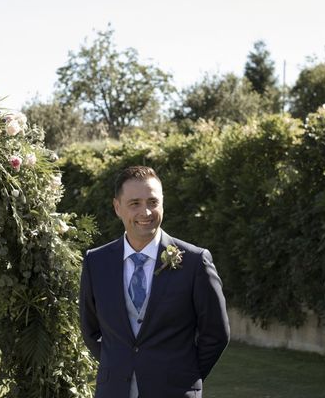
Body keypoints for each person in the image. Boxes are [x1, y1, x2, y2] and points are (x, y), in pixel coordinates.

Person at [80, 165, 230, 398]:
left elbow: (216, 333)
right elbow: (90, 331)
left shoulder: (194, 262)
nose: (146, 212)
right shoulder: (96, 262)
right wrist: (122, 364)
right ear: (117, 207)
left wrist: (185, 375)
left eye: (152, 202)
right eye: (135, 203)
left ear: (162, 203)